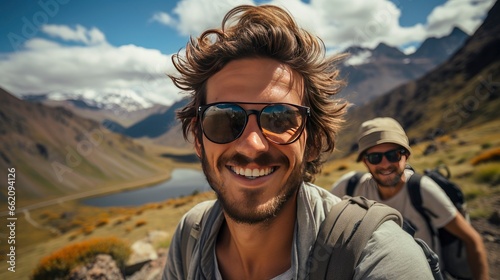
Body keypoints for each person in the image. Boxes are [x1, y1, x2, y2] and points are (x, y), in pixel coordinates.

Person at [162, 5, 433, 279]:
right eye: (224, 118)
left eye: (279, 119)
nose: (252, 145)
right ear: (198, 138)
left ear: (313, 141)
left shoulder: (376, 255)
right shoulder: (191, 235)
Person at [330, 117, 489, 280]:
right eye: (375, 157)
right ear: (365, 161)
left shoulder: (422, 190)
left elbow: (472, 240)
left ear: (406, 156)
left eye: (393, 155)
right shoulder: (350, 187)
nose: (385, 164)